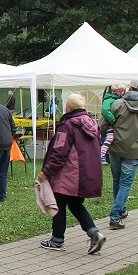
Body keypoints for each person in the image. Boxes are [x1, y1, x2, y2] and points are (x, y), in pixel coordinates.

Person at [37, 94, 106, 254]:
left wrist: (46, 172)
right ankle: (94, 234)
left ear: (69, 107)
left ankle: (57, 240)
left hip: (69, 174)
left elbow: (59, 152)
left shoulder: (67, 125)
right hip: (86, 173)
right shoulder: (92, 123)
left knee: (59, 204)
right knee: (75, 204)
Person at [100, 78, 138, 229]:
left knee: (117, 180)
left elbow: (103, 125)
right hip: (134, 149)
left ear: (130, 88)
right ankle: (116, 215)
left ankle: (120, 211)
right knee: (125, 183)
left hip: (116, 147)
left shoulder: (117, 104)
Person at [99, 84, 125, 164]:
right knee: (108, 139)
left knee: (108, 140)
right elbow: (104, 110)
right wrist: (113, 120)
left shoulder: (113, 100)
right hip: (109, 124)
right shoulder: (109, 100)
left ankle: (105, 157)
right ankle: (101, 157)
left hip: (110, 123)